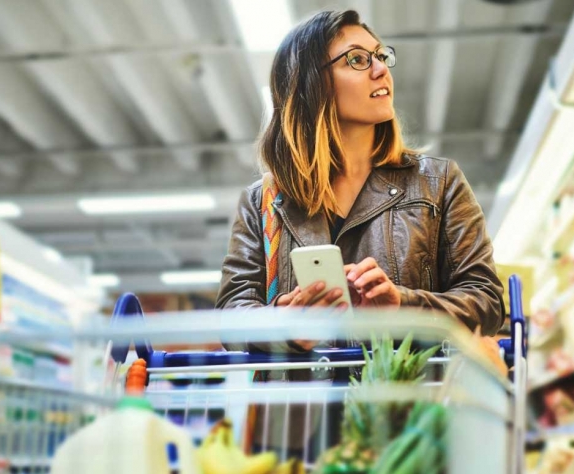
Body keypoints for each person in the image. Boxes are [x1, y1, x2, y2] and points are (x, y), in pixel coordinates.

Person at [214, 8, 506, 456]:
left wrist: (403, 305)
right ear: (310, 85)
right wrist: (286, 327)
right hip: (298, 436)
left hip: (411, 434)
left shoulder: (437, 182)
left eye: (380, 55)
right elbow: (232, 313)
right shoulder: (263, 202)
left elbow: (486, 302)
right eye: (356, 59)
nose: (379, 68)